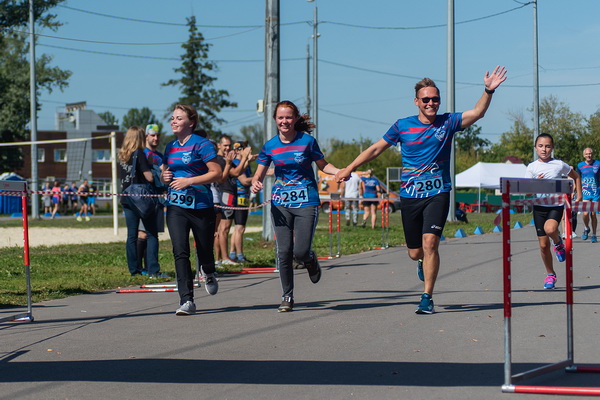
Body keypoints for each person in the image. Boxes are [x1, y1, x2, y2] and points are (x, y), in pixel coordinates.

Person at [336, 66, 508, 314]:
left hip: (438, 193)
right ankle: (419, 261)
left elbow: (478, 113)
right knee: (415, 251)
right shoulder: (402, 126)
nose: (431, 103)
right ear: (416, 101)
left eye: (435, 99)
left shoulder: (448, 122)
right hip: (410, 196)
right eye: (425, 99)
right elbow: (376, 149)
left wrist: (488, 91)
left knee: (430, 244)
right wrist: (349, 167)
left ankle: (427, 296)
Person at [251, 100, 340, 312]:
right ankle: (287, 296)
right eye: (280, 118)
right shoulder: (270, 145)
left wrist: (338, 171)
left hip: (306, 201)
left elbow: (322, 165)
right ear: (275, 120)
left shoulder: (307, 142)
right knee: (283, 252)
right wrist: (256, 181)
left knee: (299, 251)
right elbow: (261, 170)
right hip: (281, 203)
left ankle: (309, 260)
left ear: (295, 119)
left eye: (288, 117)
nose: (284, 121)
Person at [161, 104, 222, 316]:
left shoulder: (202, 145)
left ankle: (209, 271)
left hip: (201, 205)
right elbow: (165, 172)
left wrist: (190, 181)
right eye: (172, 118)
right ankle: (186, 300)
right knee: (180, 251)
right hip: (176, 205)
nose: (173, 121)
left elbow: (217, 173)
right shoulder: (169, 147)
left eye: (179, 118)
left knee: (204, 249)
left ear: (191, 122)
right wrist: (164, 177)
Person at [525, 133, 582, 289]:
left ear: (552, 148)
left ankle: (558, 243)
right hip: (538, 207)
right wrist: (536, 183)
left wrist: (579, 193)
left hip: (555, 205)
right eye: (541, 146)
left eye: (548, 146)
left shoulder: (559, 164)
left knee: (550, 229)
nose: (544, 149)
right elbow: (527, 192)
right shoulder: (532, 167)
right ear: (536, 148)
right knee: (543, 246)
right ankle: (550, 274)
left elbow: (576, 176)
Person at [118, 126, 161, 278]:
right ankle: (153, 270)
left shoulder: (123, 154)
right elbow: (148, 177)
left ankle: (134, 269)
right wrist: (155, 171)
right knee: (151, 234)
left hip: (126, 197)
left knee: (131, 235)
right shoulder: (140, 153)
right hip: (140, 198)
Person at [136, 124, 168, 276]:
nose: (155, 138)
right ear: (146, 137)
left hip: (159, 199)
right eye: (152, 135)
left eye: (157, 135)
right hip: (146, 198)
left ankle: (149, 267)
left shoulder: (160, 156)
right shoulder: (144, 154)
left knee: (152, 233)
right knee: (143, 233)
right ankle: (140, 268)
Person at [215, 135, 249, 265]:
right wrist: (244, 158)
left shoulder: (226, 158)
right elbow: (235, 173)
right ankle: (223, 258)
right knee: (223, 228)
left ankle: (223, 258)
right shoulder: (220, 159)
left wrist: (247, 161)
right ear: (219, 145)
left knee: (225, 228)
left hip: (231, 193)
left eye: (229, 145)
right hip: (226, 193)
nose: (227, 148)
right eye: (225, 145)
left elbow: (237, 171)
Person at [230, 141, 254, 263]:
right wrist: (259, 177)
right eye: (246, 149)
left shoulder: (244, 163)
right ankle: (239, 255)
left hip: (243, 197)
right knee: (239, 228)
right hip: (239, 197)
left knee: (239, 228)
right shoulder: (237, 163)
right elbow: (244, 181)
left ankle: (233, 254)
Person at [577, 147, 600, 243]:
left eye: (590, 153)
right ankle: (586, 228)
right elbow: (577, 178)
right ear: (584, 155)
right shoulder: (580, 165)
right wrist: (577, 190)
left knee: (593, 214)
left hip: (596, 192)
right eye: (586, 154)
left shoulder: (598, 164)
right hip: (585, 193)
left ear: (592, 154)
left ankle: (594, 234)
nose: (588, 155)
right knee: (585, 213)